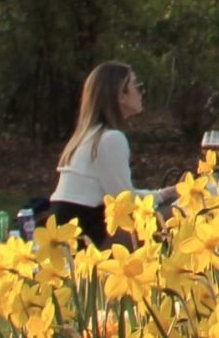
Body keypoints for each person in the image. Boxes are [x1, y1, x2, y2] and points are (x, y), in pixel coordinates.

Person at [43, 61, 145, 247]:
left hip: (65, 231)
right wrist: (166, 195)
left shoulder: (87, 136)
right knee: (178, 213)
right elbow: (124, 200)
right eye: (137, 86)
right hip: (86, 236)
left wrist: (163, 194)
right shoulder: (110, 139)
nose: (141, 92)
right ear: (121, 95)